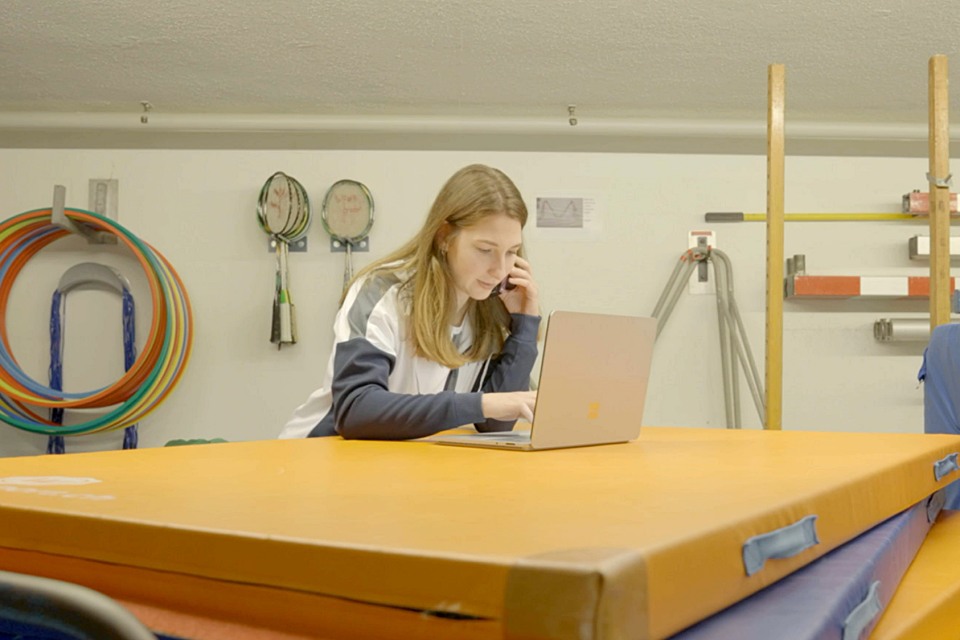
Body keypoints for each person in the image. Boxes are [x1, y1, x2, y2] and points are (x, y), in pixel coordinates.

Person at [279, 164, 540, 440]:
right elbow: (356, 409)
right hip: (318, 455)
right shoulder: (381, 293)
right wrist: (482, 404)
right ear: (444, 237)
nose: (500, 269)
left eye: (511, 252)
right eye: (485, 250)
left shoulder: (488, 306)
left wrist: (525, 326)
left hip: (396, 462)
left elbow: (495, 424)